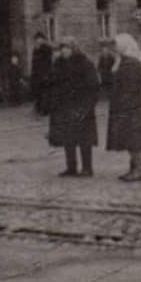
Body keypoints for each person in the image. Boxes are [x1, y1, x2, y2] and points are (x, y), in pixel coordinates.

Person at [44, 36, 99, 177]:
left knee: (84, 139)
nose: (64, 51)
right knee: (68, 138)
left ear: (74, 48)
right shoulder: (58, 64)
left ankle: (87, 168)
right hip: (64, 106)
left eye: (67, 48)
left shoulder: (85, 63)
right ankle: (71, 167)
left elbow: (93, 86)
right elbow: (52, 83)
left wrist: (87, 105)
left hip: (81, 106)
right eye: (62, 48)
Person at [105, 33, 141, 182]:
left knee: (133, 138)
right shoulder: (125, 61)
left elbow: (130, 87)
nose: (115, 48)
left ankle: (138, 169)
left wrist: (123, 105)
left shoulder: (130, 63)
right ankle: (135, 168)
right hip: (127, 106)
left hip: (131, 107)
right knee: (130, 138)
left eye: (117, 45)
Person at [30, 32, 53, 116]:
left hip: (45, 75)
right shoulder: (35, 49)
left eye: (39, 39)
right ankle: (38, 108)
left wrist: (46, 74)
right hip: (37, 75)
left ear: (43, 39)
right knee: (38, 92)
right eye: (36, 39)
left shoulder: (47, 49)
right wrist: (33, 73)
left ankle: (45, 110)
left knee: (45, 93)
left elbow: (48, 62)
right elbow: (34, 63)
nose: (38, 41)